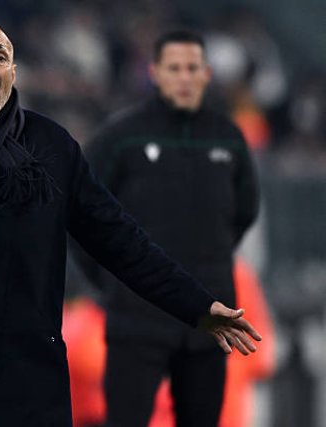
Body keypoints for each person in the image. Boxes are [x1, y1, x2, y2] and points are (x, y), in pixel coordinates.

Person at [0, 21, 261, 426]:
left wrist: (197, 306)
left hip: (22, 377)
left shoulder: (52, 147)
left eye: (0, 57)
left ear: (13, 73)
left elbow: (121, 241)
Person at [81, 29, 260, 426]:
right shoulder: (120, 137)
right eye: (174, 68)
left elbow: (243, 213)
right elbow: (83, 214)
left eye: (192, 68)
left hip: (209, 320)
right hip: (136, 318)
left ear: (206, 73)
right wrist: (112, 282)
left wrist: (209, 263)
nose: (184, 77)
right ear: (155, 73)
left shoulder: (228, 138)